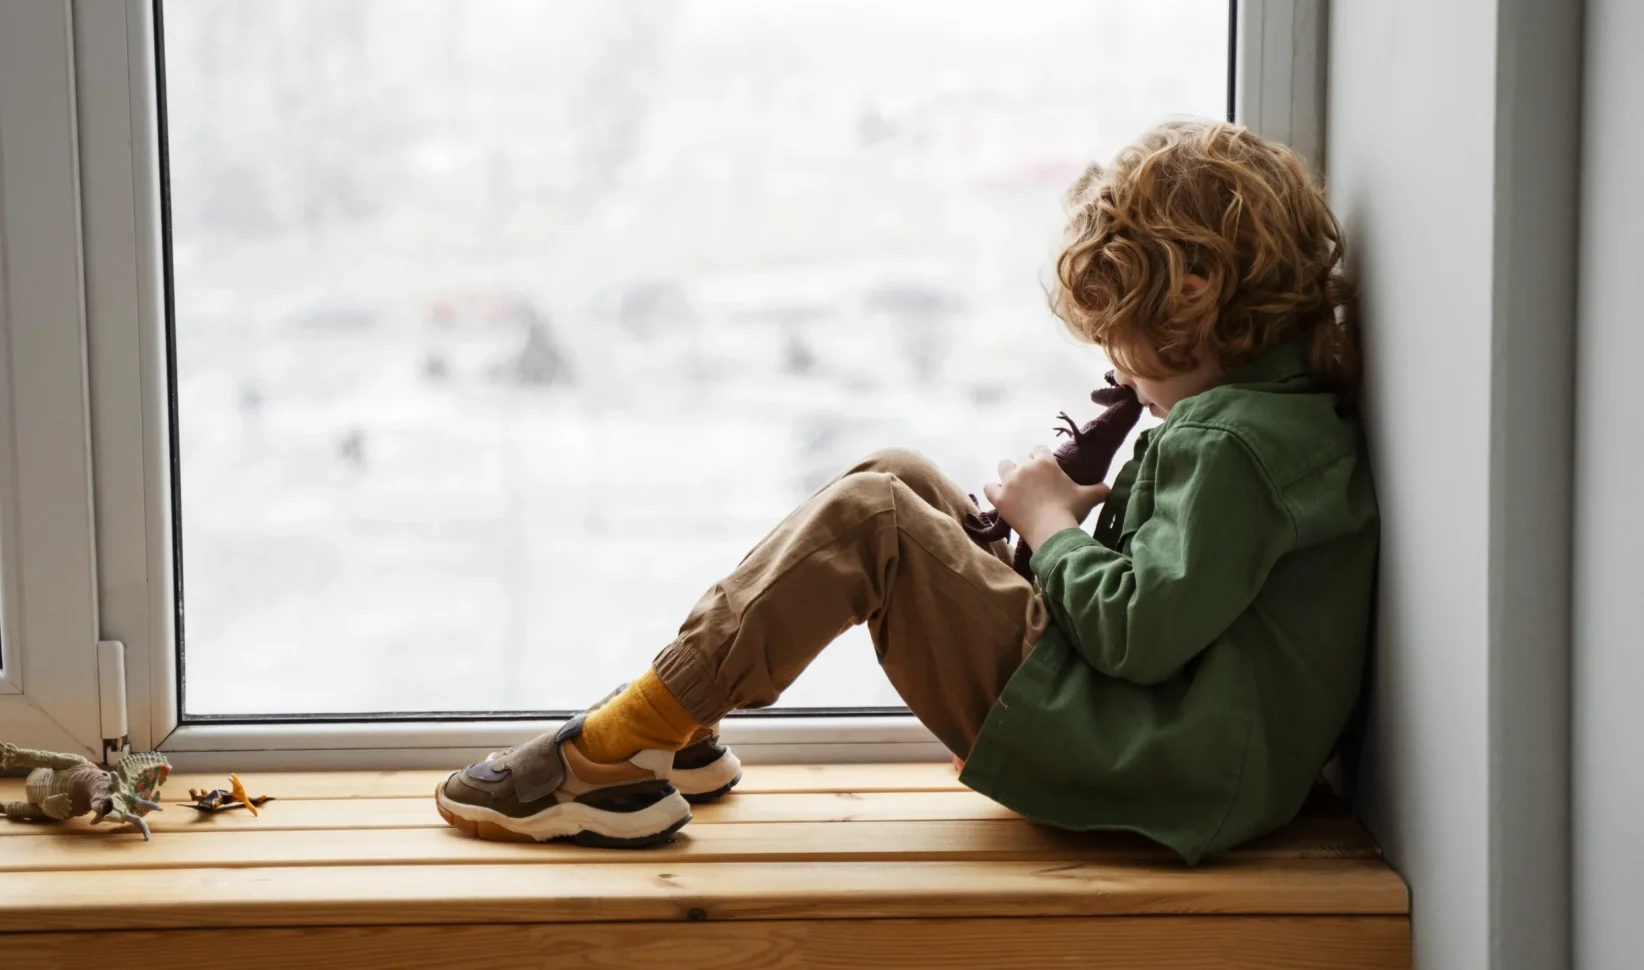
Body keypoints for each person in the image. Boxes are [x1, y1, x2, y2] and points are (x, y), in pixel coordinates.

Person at [434, 119, 1377, 864]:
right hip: (1167, 742)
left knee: (873, 522)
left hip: (1158, 767)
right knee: (900, 475)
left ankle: (611, 752)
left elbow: (1137, 635)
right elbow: (1186, 598)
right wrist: (1060, 524)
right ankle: (680, 718)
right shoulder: (1267, 419)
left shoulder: (1234, 447)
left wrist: (1049, 528)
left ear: (1194, 301)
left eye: (1121, 340)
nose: (1119, 373)